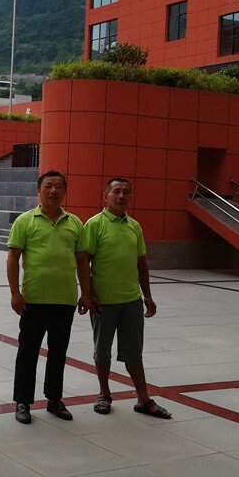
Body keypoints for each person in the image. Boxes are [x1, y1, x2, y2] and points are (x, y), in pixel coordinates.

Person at [78, 177, 172, 419]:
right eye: (116, 191)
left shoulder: (134, 226)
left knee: (134, 352)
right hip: (104, 301)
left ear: (130, 197)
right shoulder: (94, 224)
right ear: (106, 196)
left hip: (131, 301)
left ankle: (143, 399)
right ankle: (104, 394)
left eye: (126, 192)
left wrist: (147, 296)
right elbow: (84, 261)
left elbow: (141, 263)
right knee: (102, 351)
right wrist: (87, 294)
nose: (121, 196)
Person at [7, 170, 90, 424]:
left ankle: (54, 399)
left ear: (65, 192)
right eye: (48, 186)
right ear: (38, 191)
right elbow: (13, 258)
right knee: (28, 351)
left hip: (65, 300)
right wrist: (15, 292)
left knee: (58, 352)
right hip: (33, 299)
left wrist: (86, 293)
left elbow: (82, 260)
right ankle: (23, 401)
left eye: (58, 187)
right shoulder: (25, 221)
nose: (53, 191)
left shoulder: (75, 223)